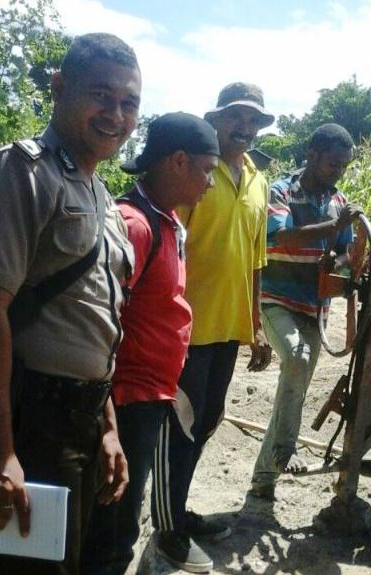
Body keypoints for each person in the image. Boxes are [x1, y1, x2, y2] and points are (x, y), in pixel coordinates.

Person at [0, 33, 141, 575]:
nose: (116, 114)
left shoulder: (101, 196)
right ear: (58, 88)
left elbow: (94, 322)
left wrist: (106, 428)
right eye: (101, 95)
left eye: (129, 103)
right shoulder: (18, 173)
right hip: (26, 419)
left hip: (78, 421)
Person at [80, 112, 220, 575]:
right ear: (179, 162)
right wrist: (108, 423)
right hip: (128, 400)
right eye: (207, 170)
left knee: (122, 511)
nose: (210, 184)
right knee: (113, 528)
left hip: (150, 393)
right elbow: (98, 324)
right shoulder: (134, 225)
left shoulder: (166, 221)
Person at [152, 82, 274, 573]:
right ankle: (166, 529)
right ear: (217, 120)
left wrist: (257, 326)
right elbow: (169, 245)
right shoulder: (194, 174)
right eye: (236, 119)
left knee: (206, 422)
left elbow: (256, 260)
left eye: (254, 122)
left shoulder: (259, 182)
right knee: (177, 429)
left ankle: (176, 510)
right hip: (185, 328)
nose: (244, 129)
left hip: (228, 328)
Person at [250, 124, 360, 500]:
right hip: (276, 299)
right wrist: (334, 226)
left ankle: (264, 478)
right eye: (333, 164)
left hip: (315, 308)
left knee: (292, 390)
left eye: (344, 166)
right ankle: (286, 449)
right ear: (312, 155)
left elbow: (347, 250)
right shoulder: (281, 192)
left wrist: (338, 257)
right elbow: (283, 237)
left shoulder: (338, 201)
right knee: (296, 357)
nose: (338, 172)